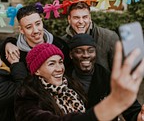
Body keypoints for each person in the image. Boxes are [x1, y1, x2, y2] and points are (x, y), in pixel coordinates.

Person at [14, 42, 144, 121]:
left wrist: (137, 116)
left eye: (60, 62)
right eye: (51, 64)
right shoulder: (27, 96)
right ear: (37, 71)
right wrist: (110, 106)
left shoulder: (71, 84)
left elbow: (88, 111)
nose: (59, 69)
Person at [66, 33, 144, 121]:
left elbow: (131, 108)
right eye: (79, 51)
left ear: (96, 53)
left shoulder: (108, 78)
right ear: (71, 55)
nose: (86, 55)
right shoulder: (64, 79)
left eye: (91, 51)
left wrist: (140, 116)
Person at [0, 5, 70, 69]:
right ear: (21, 30)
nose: (35, 31)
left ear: (42, 22)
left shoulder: (60, 45)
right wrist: (7, 43)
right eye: (29, 27)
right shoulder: (15, 54)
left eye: (38, 24)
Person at [62, 1, 119, 72]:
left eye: (85, 17)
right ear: (69, 19)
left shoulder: (109, 37)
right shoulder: (63, 43)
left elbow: (119, 70)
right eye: (76, 18)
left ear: (90, 18)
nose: (81, 21)